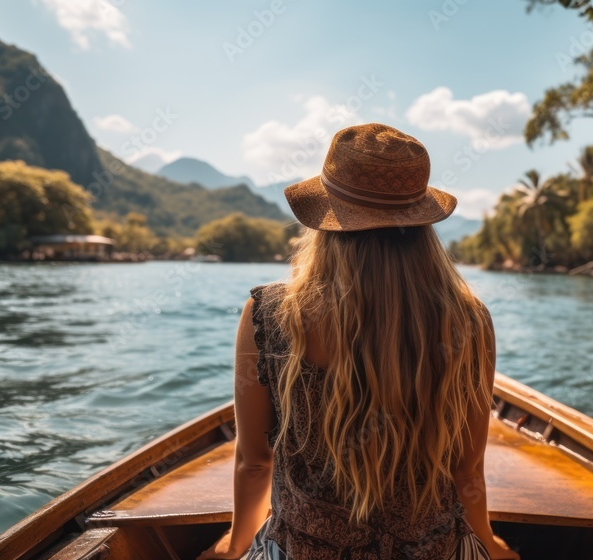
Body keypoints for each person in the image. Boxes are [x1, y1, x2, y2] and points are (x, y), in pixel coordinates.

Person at [198, 123, 520, 560]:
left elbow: (254, 462)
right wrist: (489, 544)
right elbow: (468, 475)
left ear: (325, 220)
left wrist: (235, 547)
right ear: (422, 223)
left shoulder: (269, 314)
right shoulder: (469, 321)